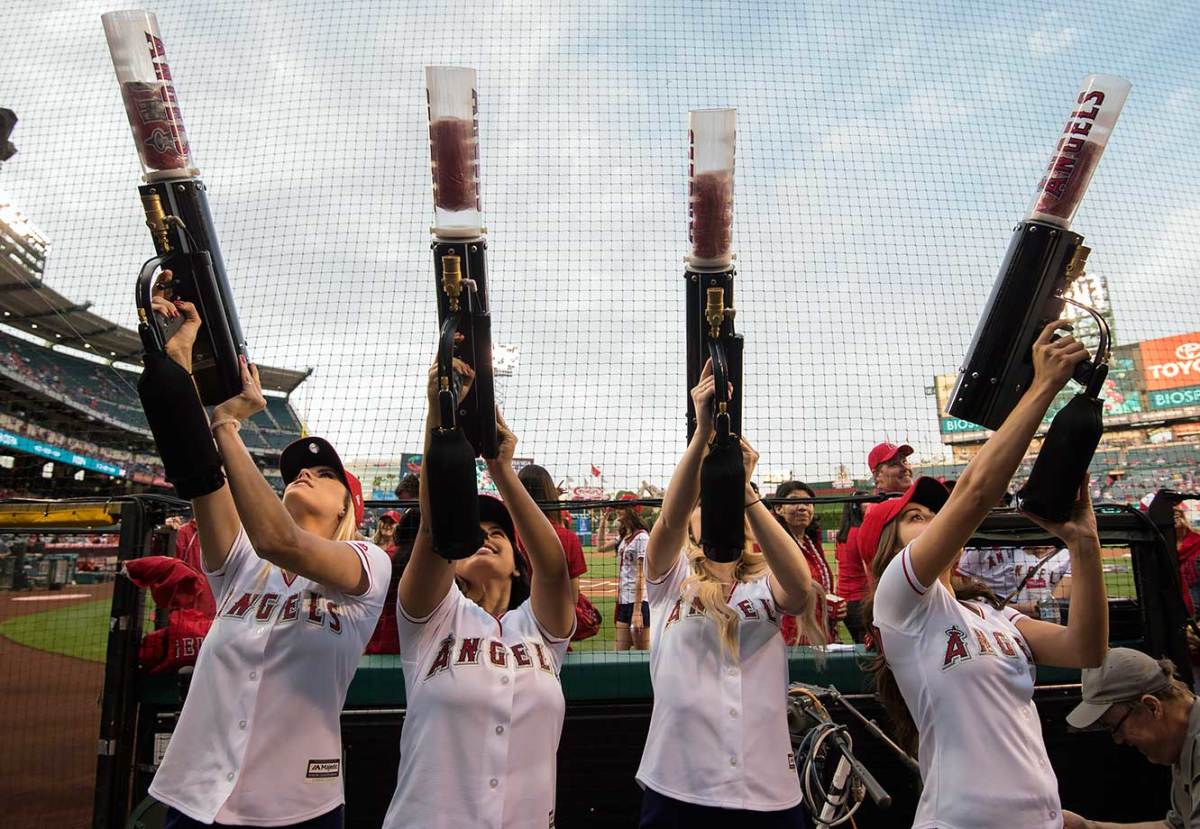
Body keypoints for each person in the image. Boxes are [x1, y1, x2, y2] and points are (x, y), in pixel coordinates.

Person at [144, 288, 390, 829]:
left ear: (350, 506)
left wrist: (228, 425)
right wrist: (180, 355)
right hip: (196, 795)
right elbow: (197, 471)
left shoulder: (367, 564)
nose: (306, 474)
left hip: (298, 805)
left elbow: (283, 542)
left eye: (326, 475)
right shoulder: (241, 561)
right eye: (299, 471)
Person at [861, 321, 1109, 829]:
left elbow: (1087, 650)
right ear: (885, 548)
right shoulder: (899, 603)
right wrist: (1042, 387)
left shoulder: (993, 616)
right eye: (913, 517)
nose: (930, 519)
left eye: (934, 512)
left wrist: (1084, 545)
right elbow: (974, 495)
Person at [381, 361, 575, 829]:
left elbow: (553, 567)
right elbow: (434, 525)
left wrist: (502, 469)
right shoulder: (433, 619)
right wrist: (440, 418)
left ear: (515, 560)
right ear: (455, 555)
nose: (485, 536)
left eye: (499, 533)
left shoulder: (540, 629)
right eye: (474, 531)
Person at [636, 359, 824, 827]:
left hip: (768, 790)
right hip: (681, 782)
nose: (712, 510)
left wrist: (745, 491)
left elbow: (800, 590)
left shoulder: (764, 583)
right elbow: (668, 521)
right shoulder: (670, 580)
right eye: (705, 504)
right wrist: (701, 438)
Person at [1062, 649, 1200, 829]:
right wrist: (1089, 827)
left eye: (1116, 727)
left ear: (1152, 707)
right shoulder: (1182, 741)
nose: (1119, 740)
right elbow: (1176, 826)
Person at [837, 441, 914, 641]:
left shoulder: (898, 504)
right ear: (878, 476)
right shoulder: (881, 510)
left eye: (905, 460)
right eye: (895, 463)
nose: (905, 467)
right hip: (904, 614)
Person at [773, 480, 844, 642]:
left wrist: (833, 607)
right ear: (778, 508)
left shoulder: (812, 543)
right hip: (790, 640)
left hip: (821, 635)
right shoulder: (773, 545)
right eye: (793, 501)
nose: (803, 507)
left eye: (808, 502)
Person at [613, 502, 652, 650]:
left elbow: (641, 576)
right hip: (623, 602)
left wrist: (637, 612)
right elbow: (600, 547)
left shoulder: (642, 537)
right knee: (618, 656)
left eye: (622, 507)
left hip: (638, 603)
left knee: (642, 655)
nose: (618, 510)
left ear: (631, 511)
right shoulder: (625, 538)